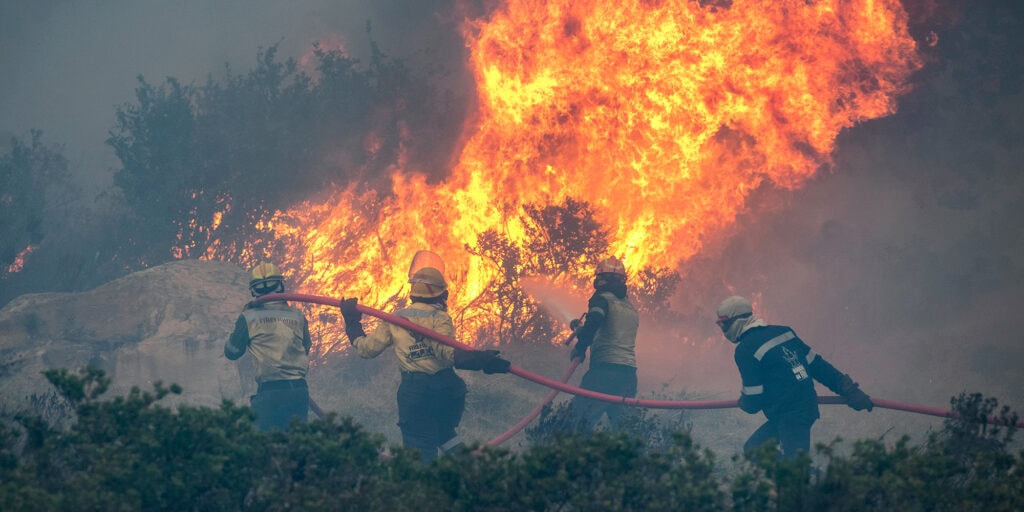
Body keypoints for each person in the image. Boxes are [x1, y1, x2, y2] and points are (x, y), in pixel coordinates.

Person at [339, 260, 511, 463]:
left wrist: (352, 322)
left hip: (416, 394)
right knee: (444, 433)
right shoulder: (440, 318)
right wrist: (482, 360)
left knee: (420, 453)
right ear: (441, 294)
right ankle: (472, 470)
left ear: (413, 292)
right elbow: (447, 352)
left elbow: (366, 349)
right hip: (447, 390)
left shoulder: (394, 320)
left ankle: (428, 489)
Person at [715, 295, 874, 460]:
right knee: (754, 449)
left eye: (724, 324)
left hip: (792, 416)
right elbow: (819, 366)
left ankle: (813, 480)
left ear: (736, 321)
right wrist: (849, 389)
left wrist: (744, 403)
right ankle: (808, 476)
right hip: (799, 409)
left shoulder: (745, 350)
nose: (723, 329)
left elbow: (753, 399)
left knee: (795, 470)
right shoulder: (785, 332)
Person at [225, 262, 312, 432]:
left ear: (253, 291)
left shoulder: (248, 317)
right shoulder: (297, 316)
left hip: (271, 394)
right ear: (280, 284)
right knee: (297, 444)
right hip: (299, 392)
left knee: (262, 448)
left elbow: (232, 352)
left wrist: (240, 323)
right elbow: (305, 348)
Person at [565, 256, 640, 433]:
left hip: (604, 373)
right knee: (625, 432)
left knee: (575, 425)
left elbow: (595, 321)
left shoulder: (601, 299)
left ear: (601, 279)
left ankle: (567, 458)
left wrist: (580, 348)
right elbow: (606, 330)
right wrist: (581, 329)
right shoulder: (630, 307)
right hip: (629, 376)